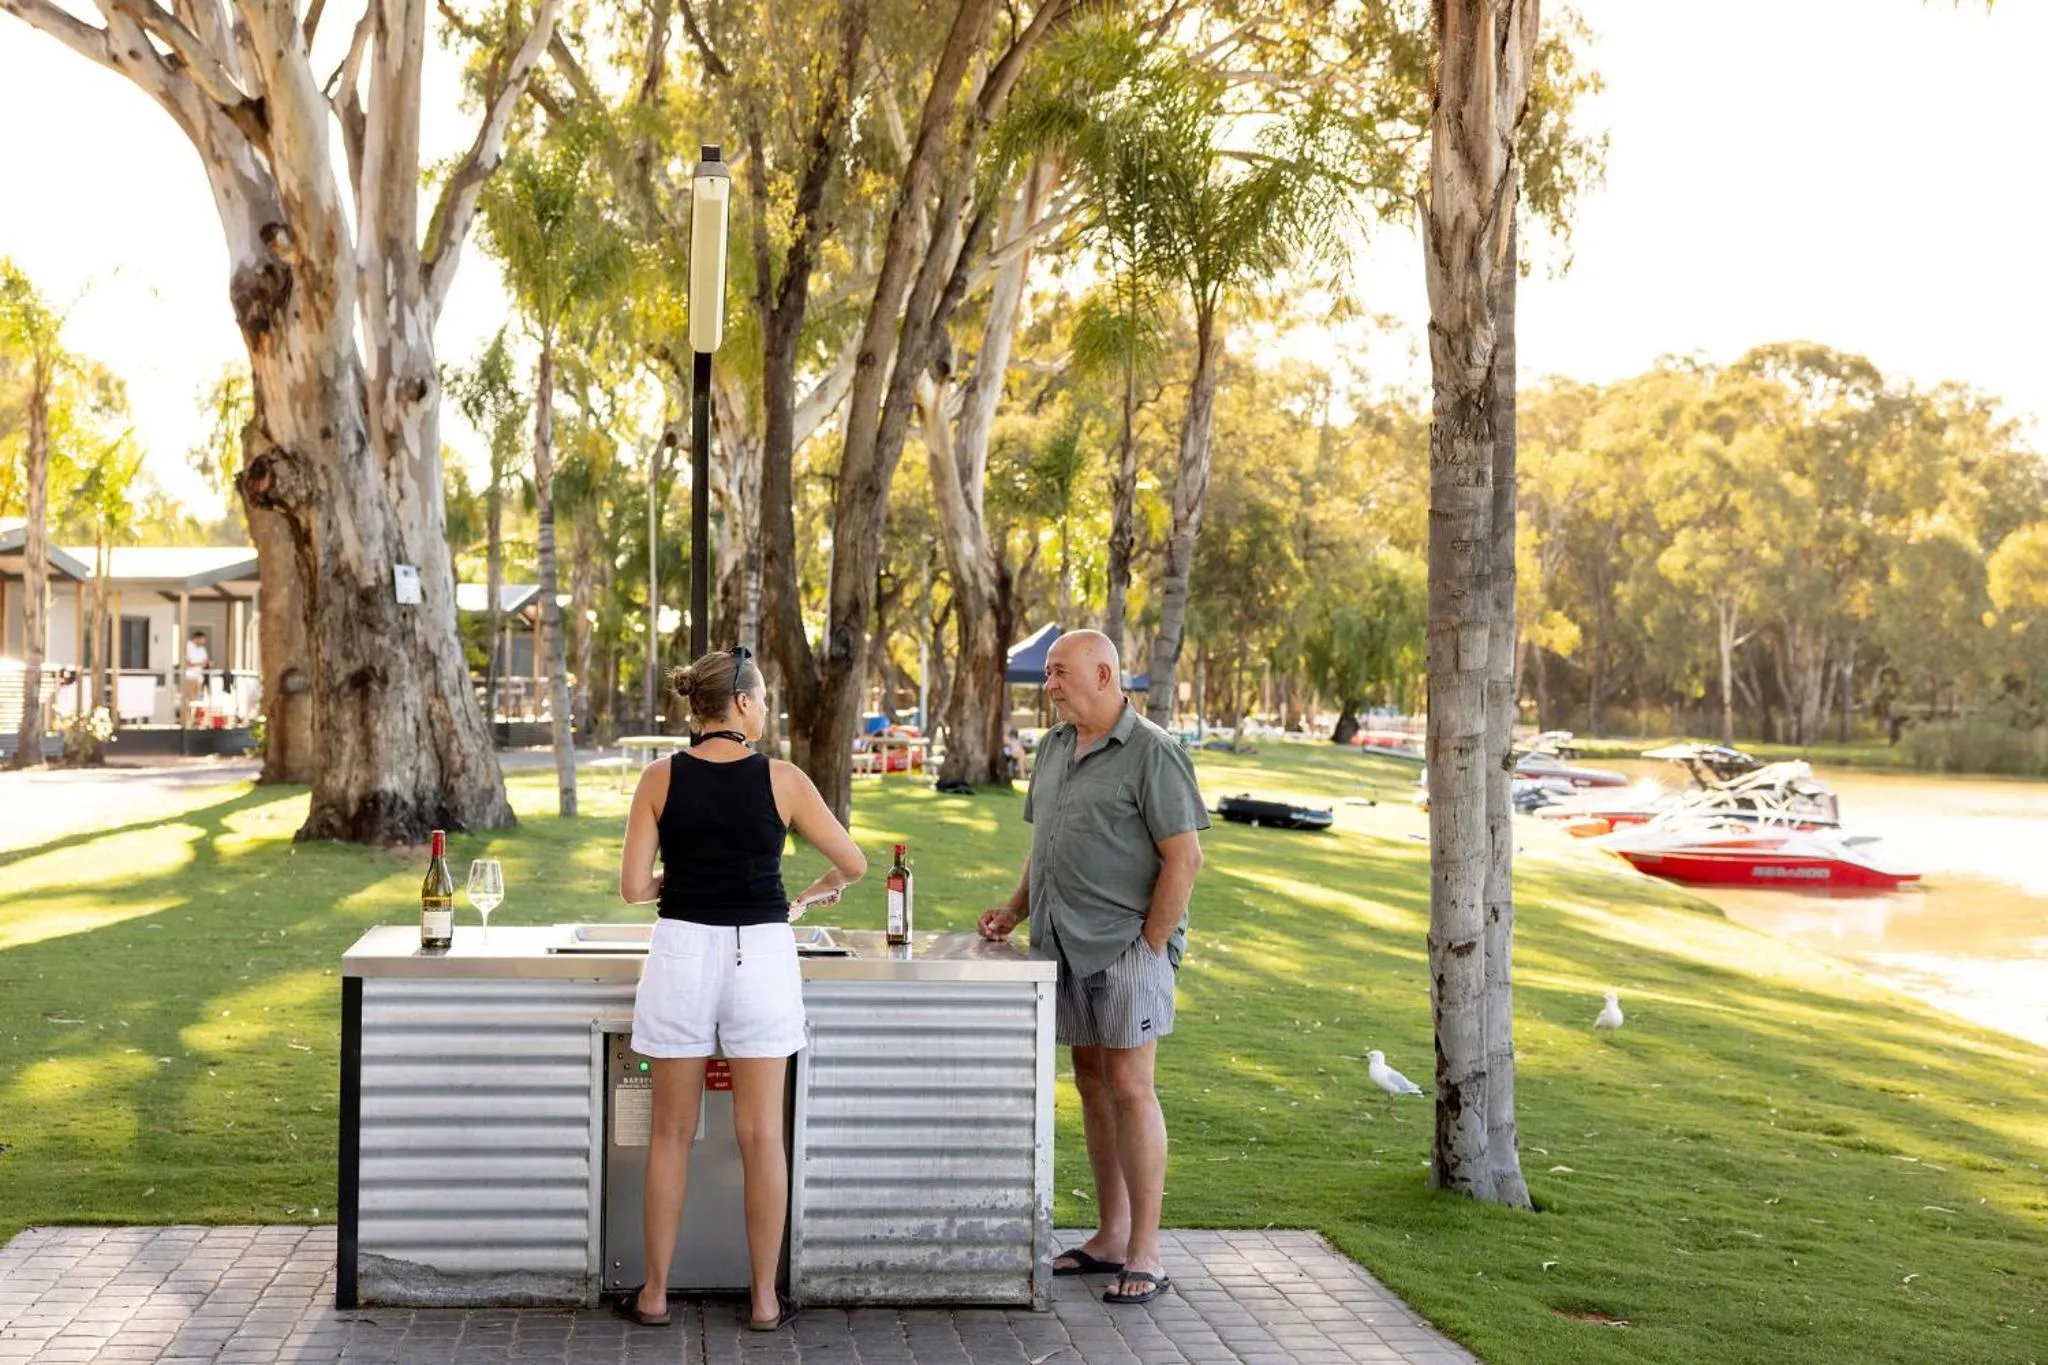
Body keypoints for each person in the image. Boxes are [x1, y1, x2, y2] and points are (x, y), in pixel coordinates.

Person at [616, 646, 866, 1332]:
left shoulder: (658, 778)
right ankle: (763, 1299)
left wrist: (682, 877)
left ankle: (656, 1294)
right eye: (765, 700)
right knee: (762, 1135)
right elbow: (853, 861)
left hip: (680, 952)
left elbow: (635, 887)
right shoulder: (782, 779)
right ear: (746, 705)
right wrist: (809, 895)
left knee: (671, 1131)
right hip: (760, 952)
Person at [977, 629, 1208, 1306]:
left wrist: (1151, 944)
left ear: (1105, 674)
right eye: (1048, 673)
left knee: (1131, 1084)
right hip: (1062, 944)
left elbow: (1185, 857)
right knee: (1089, 1081)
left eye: (1059, 672)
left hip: (1125, 946)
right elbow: (1044, 843)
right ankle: (1110, 1237)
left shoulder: (1153, 752)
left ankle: (1148, 1251)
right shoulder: (1052, 747)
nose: (1048, 684)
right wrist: (1016, 910)